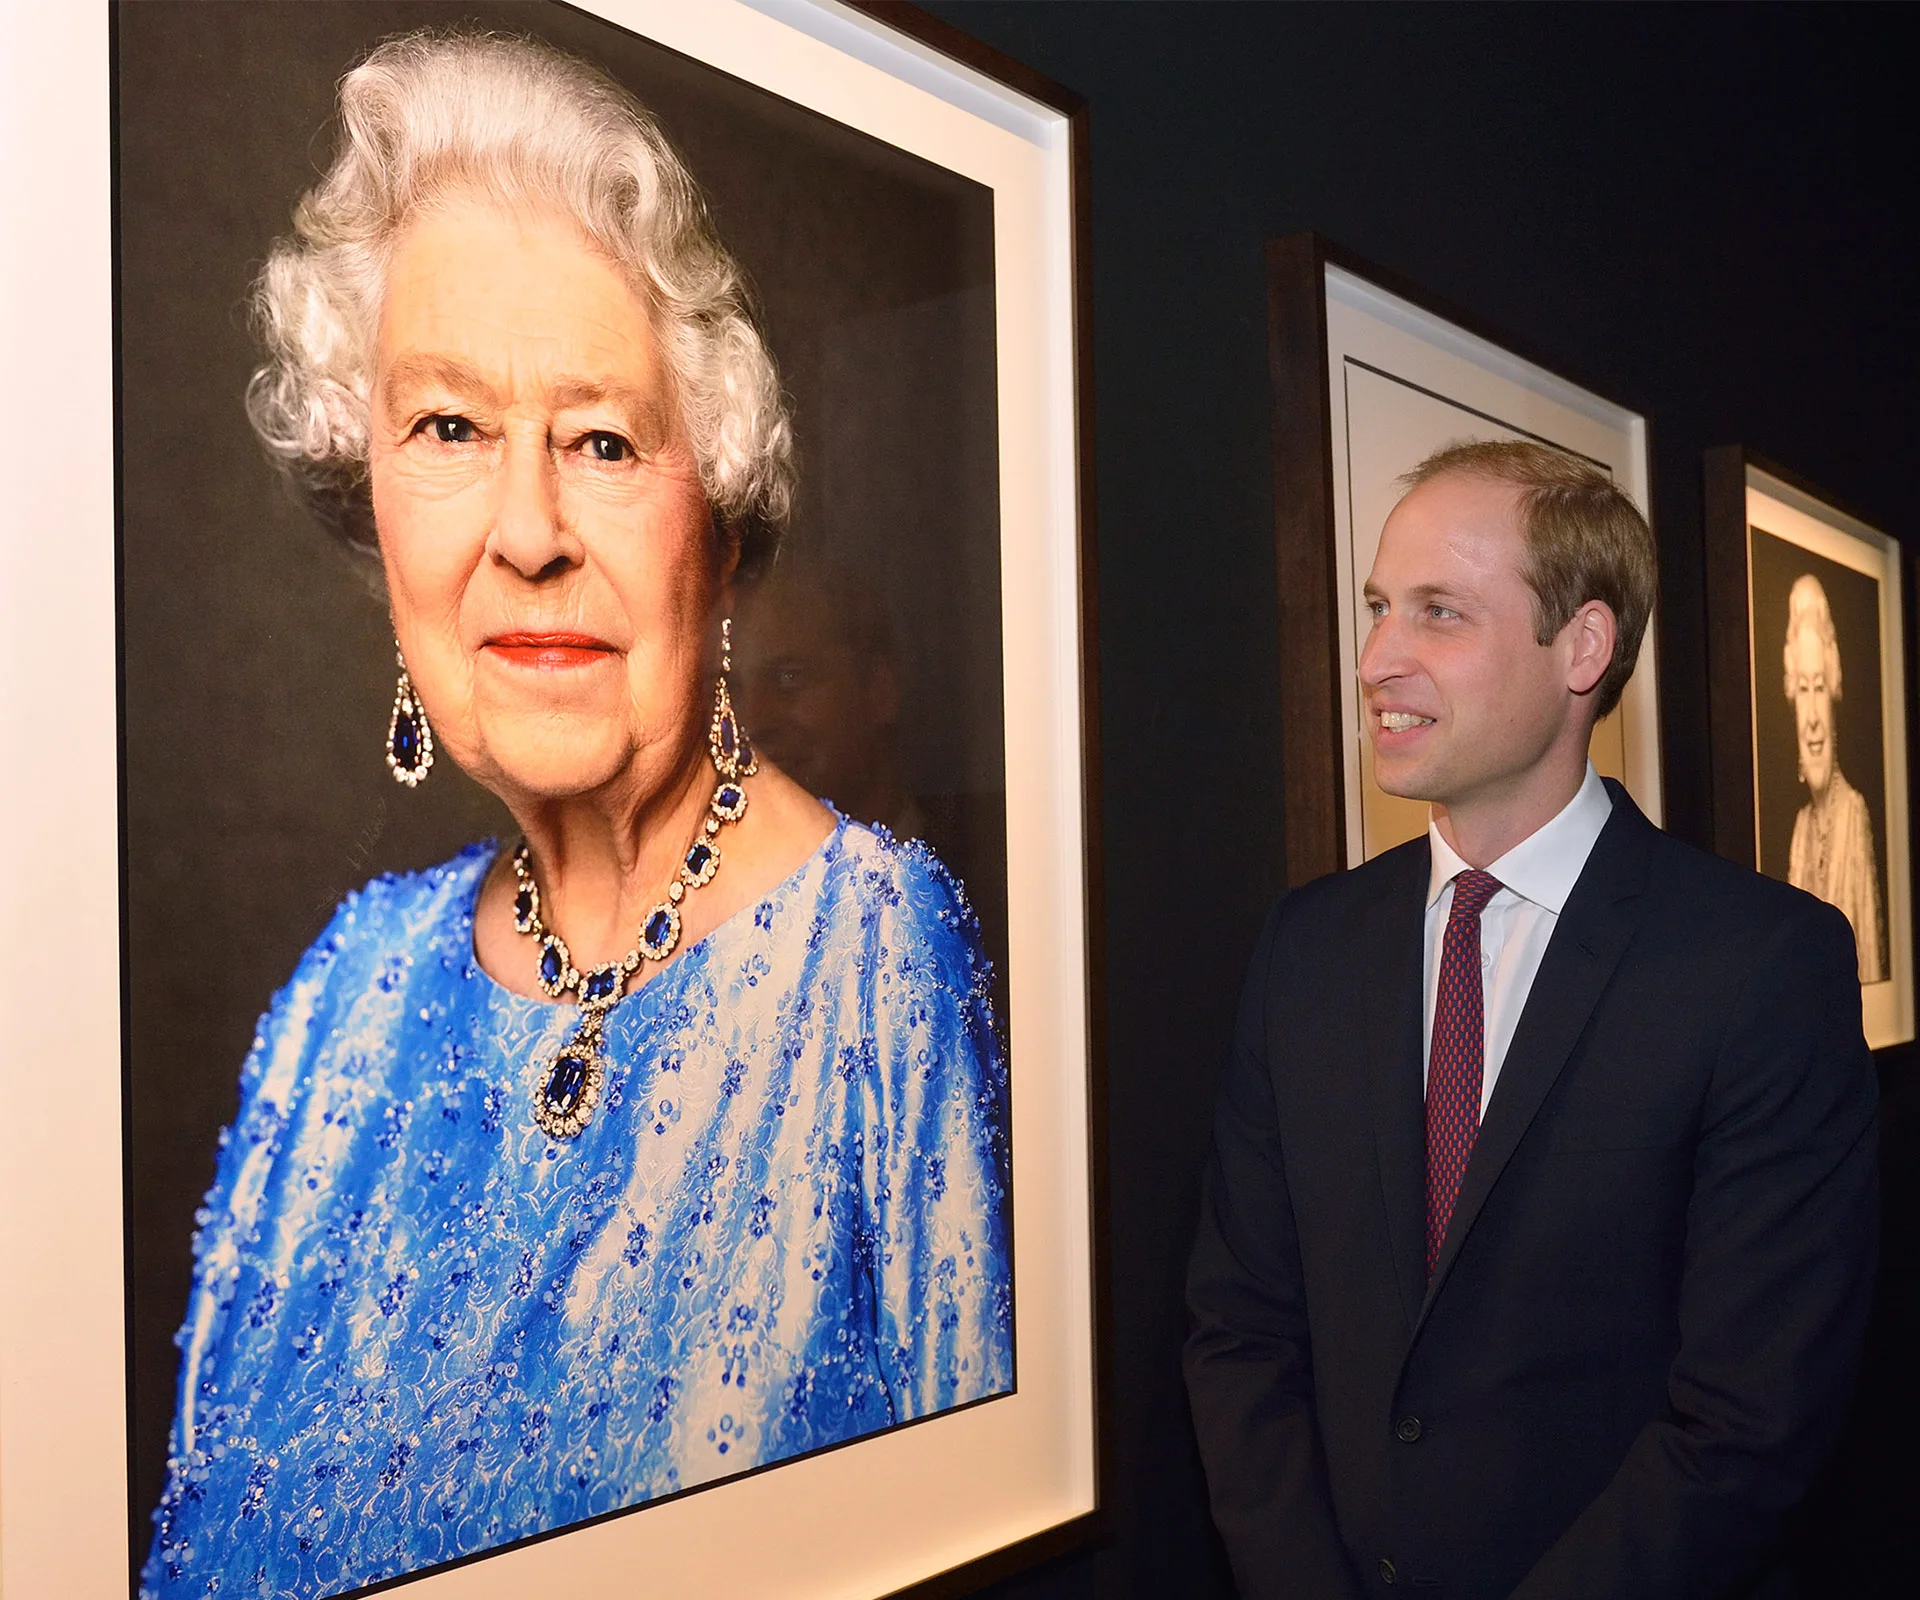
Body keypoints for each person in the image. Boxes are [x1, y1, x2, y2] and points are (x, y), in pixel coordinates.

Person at [142, 31, 1011, 1600]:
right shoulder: (341, 996)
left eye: (602, 439)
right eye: (450, 428)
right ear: (372, 495)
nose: (528, 528)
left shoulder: (875, 960)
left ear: (716, 521)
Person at [1185, 439, 1877, 1599]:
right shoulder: (1306, 948)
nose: (1374, 659)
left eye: (1438, 613)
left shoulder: (1759, 966)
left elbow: (1749, 1420)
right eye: (1376, 608)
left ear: (1585, 647)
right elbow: (1240, 1329)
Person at [1782, 573, 1886, 982]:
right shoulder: (1801, 829)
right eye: (1803, 690)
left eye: (1819, 688)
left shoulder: (1853, 814)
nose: (1811, 720)